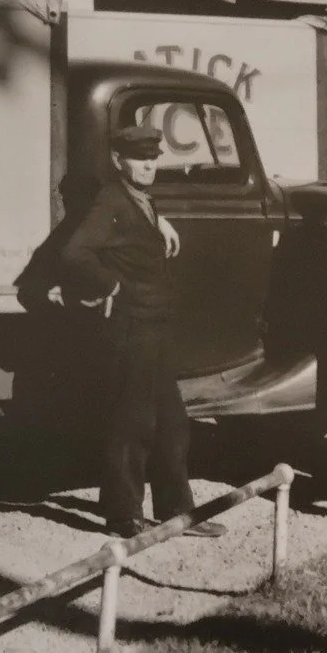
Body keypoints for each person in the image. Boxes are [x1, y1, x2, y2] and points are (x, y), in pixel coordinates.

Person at [57, 123, 226, 538]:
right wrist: (111, 285)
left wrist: (159, 219)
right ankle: (123, 515)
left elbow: (133, 225)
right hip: (131, 327)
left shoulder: (138, 198)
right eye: (139, 159)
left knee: (172, 421)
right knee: (132, 422)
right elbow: (75, 253)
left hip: (155, 325)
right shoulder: (110, 200)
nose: (149, 166)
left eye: (153, 159)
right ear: (119, 161)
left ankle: (176, 512)